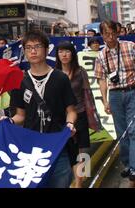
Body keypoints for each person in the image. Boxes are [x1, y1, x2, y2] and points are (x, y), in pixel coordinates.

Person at [6, 30, 77, 188]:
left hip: (58, 145)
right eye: (28, 47)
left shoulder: (60, 78)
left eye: (37, 46)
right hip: (31, 149)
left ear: (46, 49)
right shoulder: (20, 81)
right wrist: (9, 120)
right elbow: (20, 116)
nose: (33, 51)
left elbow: (71, 110)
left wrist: (70, 123)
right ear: (24, 52)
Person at [94, 20, 135, 184]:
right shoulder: (100, 55)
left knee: (133, 131)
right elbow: (101, 80)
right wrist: (105, 101)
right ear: (102, 35)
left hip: (132, 91)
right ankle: (127, 163)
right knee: (122, 132)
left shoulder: (130, 46)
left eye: (113, 33)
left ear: (118, 32)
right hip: (115, 96)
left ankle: (133, 167)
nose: (110, 37)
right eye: (106, 34)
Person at [55, 41, 92, 188]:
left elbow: (87, 94)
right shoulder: (54, 73)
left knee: (83, 150)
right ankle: (76, 179)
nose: (64, 55)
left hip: (81, 113)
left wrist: (92, 116)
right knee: (70, 151)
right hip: (63, 118)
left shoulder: (80, 71)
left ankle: (79, 183)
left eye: (67, 51)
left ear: (72, 54)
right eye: (61, 52)